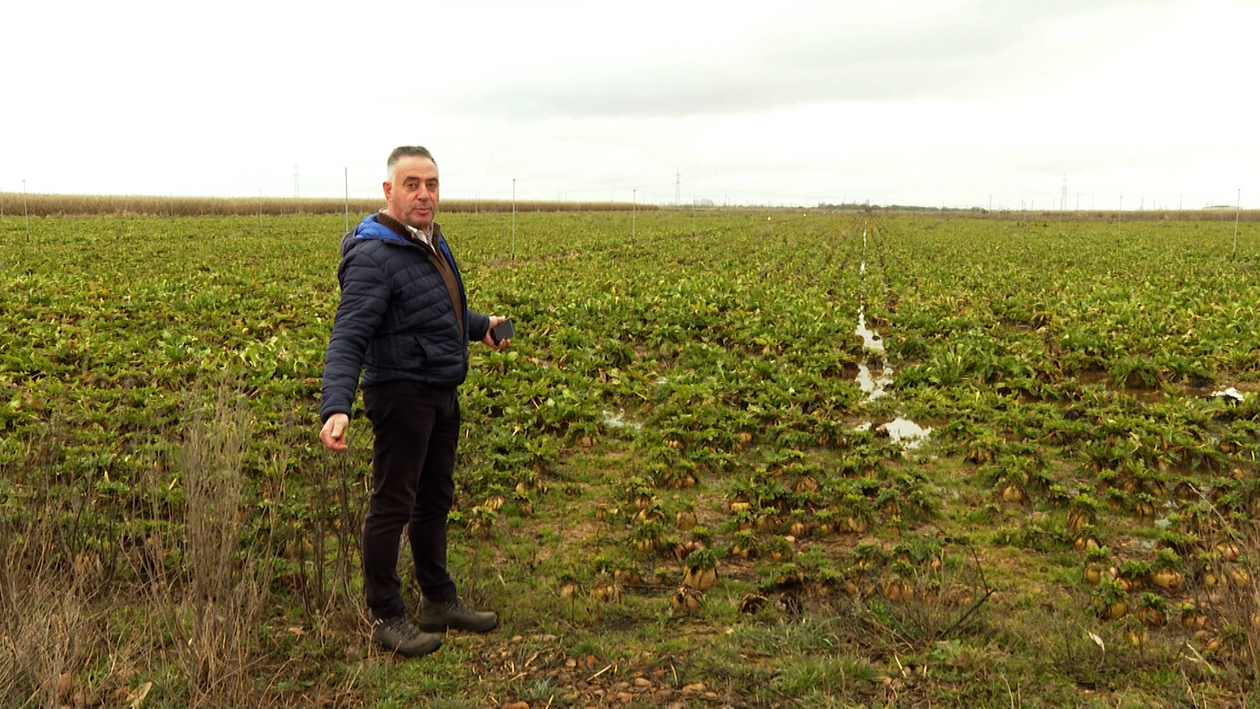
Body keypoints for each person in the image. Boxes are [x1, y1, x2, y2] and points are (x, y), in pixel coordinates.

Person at [318, 146, 511, 658]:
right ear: (388, 191)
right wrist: (336, 404)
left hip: (440, 390)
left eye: (431, 183)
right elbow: (348, 336)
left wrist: (480, 328)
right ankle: (387, 615)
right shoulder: (374, 253)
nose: (424, 193)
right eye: (412, 184)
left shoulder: (427, 242)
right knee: (392, 506)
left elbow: (436, 310)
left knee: (434, 501)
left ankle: (438, 601)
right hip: (401, 393)